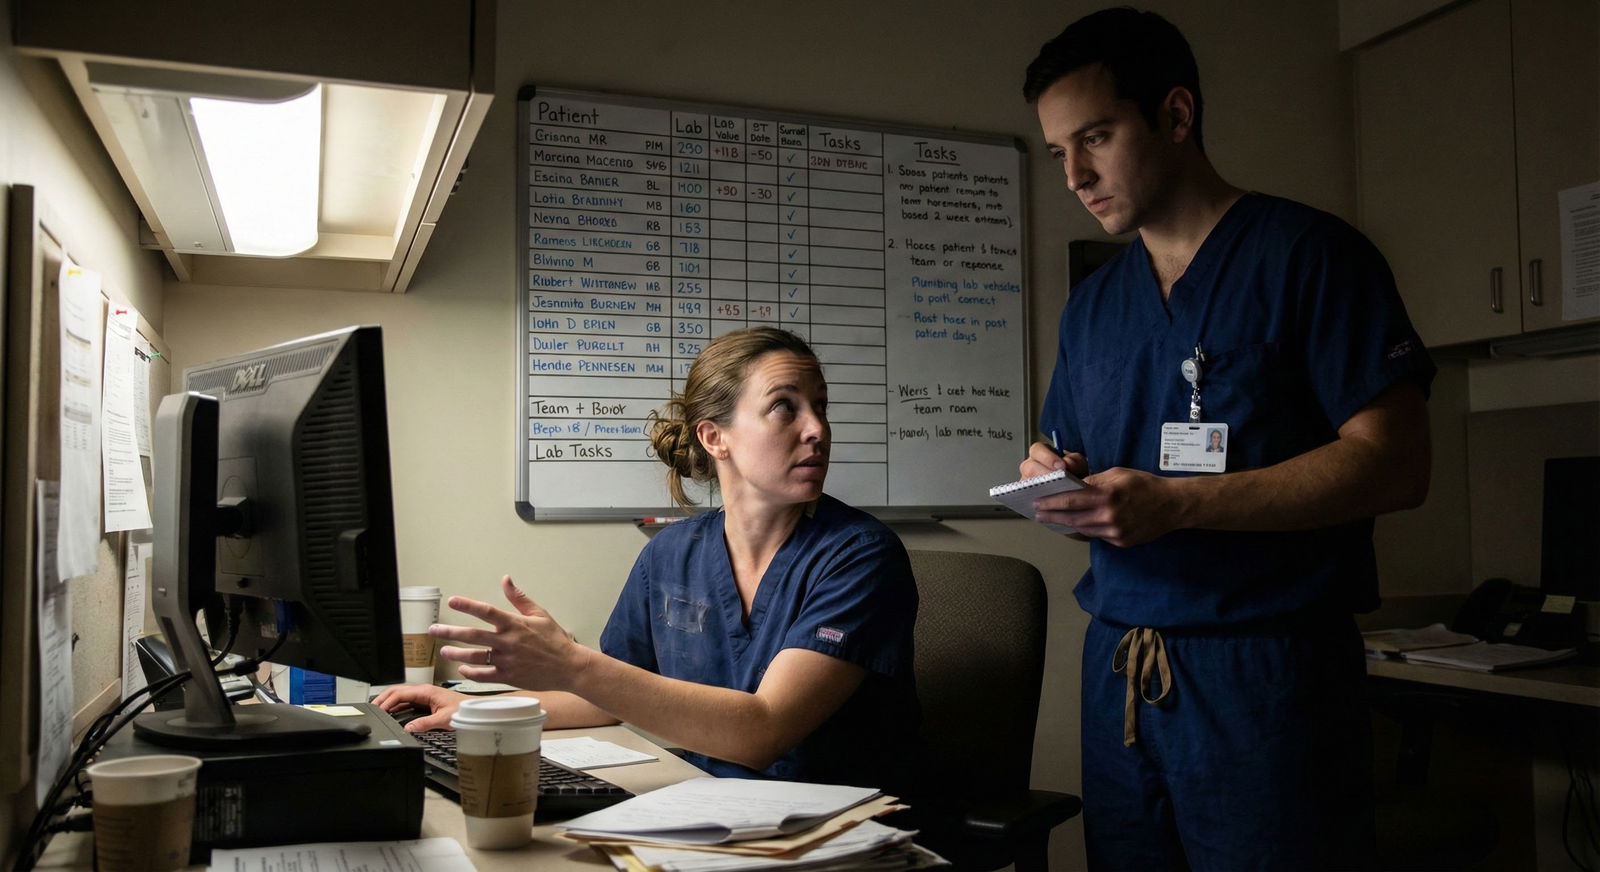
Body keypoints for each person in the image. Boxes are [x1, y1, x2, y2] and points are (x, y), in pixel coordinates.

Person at [1018, 8, 1435, 871]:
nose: (1075, 174)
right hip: (1121, 668)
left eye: (1094, 137)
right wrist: (1049, 477)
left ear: (1175, 115)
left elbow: (1396, 461)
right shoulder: (1096, 307)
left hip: (1269, 677)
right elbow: (1069, 451)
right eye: (1060, 152)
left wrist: (1179, 504)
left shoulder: (1310, 258)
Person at [375, 327, 918, 792]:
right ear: (714, 437)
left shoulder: (860, 557)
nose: (817, 429)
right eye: (785, 406)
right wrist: (470, 710)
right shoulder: (671, 553)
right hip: (710, 809)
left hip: (844, 830)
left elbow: (762, 733)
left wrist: (571, 661)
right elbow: (609, 698)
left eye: (820, 406)